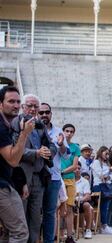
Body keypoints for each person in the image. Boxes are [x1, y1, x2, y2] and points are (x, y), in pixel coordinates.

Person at [10, 95, 58, 243]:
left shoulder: (40, 125)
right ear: (23, 106)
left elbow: (52, 146)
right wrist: (36, 153)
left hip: (39, 177)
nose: (33, 109)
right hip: (22, 177)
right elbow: (14, 151)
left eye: (35, 106)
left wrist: (49, 151)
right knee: (21, 217)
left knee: (36, 218)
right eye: (29, 106)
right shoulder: (16, 123)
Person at [0, 86, 35, 242]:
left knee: (9, 232)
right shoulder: (0, 127)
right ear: (0, 103)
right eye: (11, 101)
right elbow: (13, 159)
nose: (15, 105)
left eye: (18, 102)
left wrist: (20, 182)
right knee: (20, 232)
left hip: (7, 182)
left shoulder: (7, 125)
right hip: (1, 187)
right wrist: (25, 133)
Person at [37, 102, 69, 243]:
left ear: (51, 114)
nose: (44, 114)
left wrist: (61, 144)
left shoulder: (58, 132)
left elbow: (66, 155)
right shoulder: (31, 129)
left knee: (50, 213)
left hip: (53, 177)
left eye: (47, 112)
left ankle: (49, 241)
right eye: (41, 112)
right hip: (36, 177)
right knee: (34, 213)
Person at [60, 124, 81, 243]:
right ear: (63, 132)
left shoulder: (75, 147)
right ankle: (56, 235)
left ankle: (69, 236)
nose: (69, 133)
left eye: (71, 131)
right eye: (67, 131)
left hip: (69, 179)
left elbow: (74, 166)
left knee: (69, 208)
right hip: (57, 180)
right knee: (56, 208)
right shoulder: (57, 144)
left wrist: (62, 172)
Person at [90, 146, 112, 234]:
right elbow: (100, 174)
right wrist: (110, 170)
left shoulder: (107, 164)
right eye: (106, 153)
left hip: (106, 185)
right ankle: (103, 225)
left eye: (108, 154)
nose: (107, 156)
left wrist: (108, 175)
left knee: (106, 206)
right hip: (98, 186)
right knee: (103, 206)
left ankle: (105, 225)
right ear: (101, 153)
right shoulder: (96, 162)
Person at [75, 163, 93, 239]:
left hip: (81, 202)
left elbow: (87, 196)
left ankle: (88, 230)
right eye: (75, 168)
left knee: (87, 205)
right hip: (69, 202)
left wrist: (80, 199)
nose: (77, 170)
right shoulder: (68, 180)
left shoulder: (85, 181)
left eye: (79, 168)